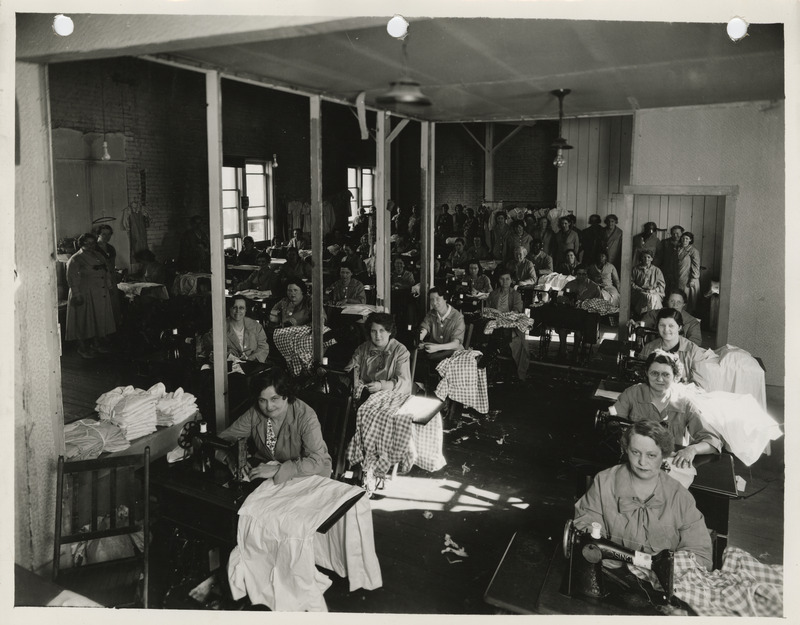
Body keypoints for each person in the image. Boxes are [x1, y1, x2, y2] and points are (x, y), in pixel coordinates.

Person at [573, 419, 713, 571]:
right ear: (626, 449)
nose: (642, 462)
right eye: (635, 452)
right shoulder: (604, 482)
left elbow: (701, 554)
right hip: (611, 574)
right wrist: (599, 551)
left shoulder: (679, 496)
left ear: (664, 455)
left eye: (651, 455)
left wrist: (675, 568)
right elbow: (585, 524)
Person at [217, 368, 332, 484]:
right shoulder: (255, 413)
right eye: (262, 400)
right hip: (269, 470)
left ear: (286, 395)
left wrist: (277, 469)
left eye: (274, 399)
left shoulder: (306, 416)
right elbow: (223, 439)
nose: (268, 407)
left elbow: (316, 461)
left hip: (310, 474)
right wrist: (230, 457)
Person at [612, 351, 722, 466]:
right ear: (646, 373)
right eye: (654, 373)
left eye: (666, 374)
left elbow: (713, 442)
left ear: (675, 376)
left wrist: (691, 450)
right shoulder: (632, 393)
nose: (659, 379)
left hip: (669, 465)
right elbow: (613, 425)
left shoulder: (685, 403)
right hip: (636, 461)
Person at [65, 232, 117, 359]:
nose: (90, 245)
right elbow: (72, 278)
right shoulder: (76, 258)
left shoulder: (99, 255)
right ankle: (82, 347)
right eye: (86, 243)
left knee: (97, 319)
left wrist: (109, 287)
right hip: (84, 292)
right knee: (82, 320)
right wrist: (77, 294)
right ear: (81, 244)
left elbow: (107, 272)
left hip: (100, 292)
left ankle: (96, 344)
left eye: (92, 242)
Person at [346, 312, 412, 402]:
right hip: (365, 396)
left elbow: (403, 382)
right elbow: (351, 368)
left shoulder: (400, 351)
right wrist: (356, 381)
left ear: (389, 331)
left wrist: (381, 386)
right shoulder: (363, 348)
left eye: (382, 331)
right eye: (373, 331)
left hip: (390, 396)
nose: (377, 336)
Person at [639, 308, 716, 385]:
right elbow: (639, 375)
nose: (666, 329)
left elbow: (700, 385)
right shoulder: (649, 348)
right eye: (662, 325)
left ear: (679, 327)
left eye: (671, 326)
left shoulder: (693, 351)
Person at [197, 295, 270, 366]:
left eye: (241, 308)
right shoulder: (220, 326)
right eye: (234, 307)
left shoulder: (256, 326)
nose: (238, 311)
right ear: (229, 309)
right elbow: (210, 346)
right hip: (228, 367)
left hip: (252, 366)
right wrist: (230, 356)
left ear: (246, 310)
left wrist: (249, 360)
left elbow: (263, 348)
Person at [486, 270, 529, 382]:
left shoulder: (516, 295)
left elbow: (517, 309)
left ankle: (520, 374)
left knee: (518, 341)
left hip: (510, 323)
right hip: (496, 322)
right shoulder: (493, 294)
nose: (505, 281)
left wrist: (508, 316)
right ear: (498, 280)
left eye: (507, 279)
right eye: (502, 279)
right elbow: (488, 309)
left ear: (511, 280)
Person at [638, 289, 702, 346]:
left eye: (679, 302)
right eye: (672, 301)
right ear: (667, 302)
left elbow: (695, 343)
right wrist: (637, 324)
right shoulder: (655, 314)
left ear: (684, 304)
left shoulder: (692, 322)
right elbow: (644, 323)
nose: (675, 305)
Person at [418, 287, 465, 360]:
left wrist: (437, 348)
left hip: (453, 355)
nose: (434, 303)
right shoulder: (431, 314)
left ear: (445, 299)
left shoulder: (457, 317)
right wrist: (419, 340)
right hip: (435, 352)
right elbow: (424, 329)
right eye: (431, 300)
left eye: (437, 299)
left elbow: (455, 344)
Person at [630, 250, 665, 316]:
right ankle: (644, 316)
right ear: (641, 258)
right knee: (646, 296)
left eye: (648, 257)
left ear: (652, 259)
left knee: (653, 297)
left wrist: (653, 290)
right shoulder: (636, 269)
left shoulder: (657, 270)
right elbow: (631, 282)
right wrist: (640, 289)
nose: (646, 259)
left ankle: (654, 316)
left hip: (654, 292)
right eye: (644, 257)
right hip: (639, 291)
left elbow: (661, 285)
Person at [676, 231, 701, 312]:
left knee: (688, 300)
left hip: (689, 279)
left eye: (687, 239)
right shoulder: (679, 249)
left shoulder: (693, 251)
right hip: (680, 276)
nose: (684, 240)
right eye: (683, 238)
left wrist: (693, 279)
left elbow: (696, 266)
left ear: (690, 240)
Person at [655, 224, 684, 293]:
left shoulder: (684, 243)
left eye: (677, 233)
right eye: (673, 233)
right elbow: (658, 257)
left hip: (680, 272)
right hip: (666, 272)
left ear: (682, 233)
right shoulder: (665, 243)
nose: (675, 235)